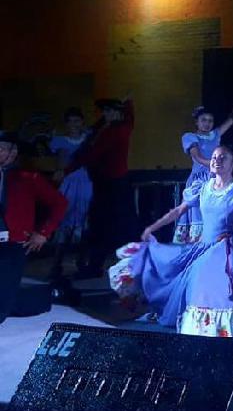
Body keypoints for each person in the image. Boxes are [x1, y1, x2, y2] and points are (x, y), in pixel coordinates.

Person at [108, 145, 233, 337]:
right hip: (204, 246)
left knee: (218, 282)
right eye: (214, 157)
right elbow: (178, 211)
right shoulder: (202, 188)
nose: (217, 161)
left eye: (223, 158)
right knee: (164, 261)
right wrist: (152, 228)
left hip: (230, 247)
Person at [65, 97, 138, 279]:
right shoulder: (117, 128)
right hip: (113, 183)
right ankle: (101, 265)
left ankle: (96, 266)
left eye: (110, 111)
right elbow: (129, 116)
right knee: (113, 226)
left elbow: (91, 155)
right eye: (105, 111)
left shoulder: (112, 132)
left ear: (117, 112)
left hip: (110, 184)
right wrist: (127, 104)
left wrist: (67, 169)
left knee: (103, 226)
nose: (107, 114)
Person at [0, 131, 67, 324]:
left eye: (8, 149)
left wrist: (43, 233)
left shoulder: (28, 178)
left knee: (3, 297)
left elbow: (59, 203)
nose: (6, 153)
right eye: (2, 148)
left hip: (13, 244)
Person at [174, 89, 233, 243]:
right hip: (200, 180)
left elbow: (231, 119)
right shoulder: (190, 137)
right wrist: (218, 165)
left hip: (216, 179)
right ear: (197, 122)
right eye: (203, 120)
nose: (207, 124)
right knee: (197, 214)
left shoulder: (215, 135)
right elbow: (198, 157)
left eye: (210, 121)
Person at [48, 107, 93, 281]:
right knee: (64, 222)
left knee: (84, 222)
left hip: (87, 180)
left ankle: (82, 263)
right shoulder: (60, 141)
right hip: (69, 182)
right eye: (70, 121)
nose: (74, 125)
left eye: (77, 121)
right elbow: (60, 164)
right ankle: (56, 264)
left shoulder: (89, 138)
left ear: (82, 122)